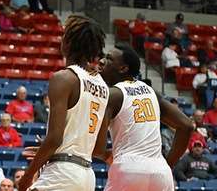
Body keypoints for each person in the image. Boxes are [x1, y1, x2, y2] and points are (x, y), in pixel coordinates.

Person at [19, 15, 108, 191]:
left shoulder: (64, 78)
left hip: (62, 173)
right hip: (87, 175)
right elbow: (99, 147)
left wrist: (28, 176)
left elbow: (54, 138)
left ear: (67, 43)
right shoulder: (103, 86)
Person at [92, 45, 193, 191]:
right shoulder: (151, 92)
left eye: (109, 59)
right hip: (160, 172)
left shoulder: (112, 94)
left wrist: (108, 156)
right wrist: (167, 164)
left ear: (123, 68)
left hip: (128, 168)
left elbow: (97, 148)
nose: (101, 61)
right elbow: (187, 125)